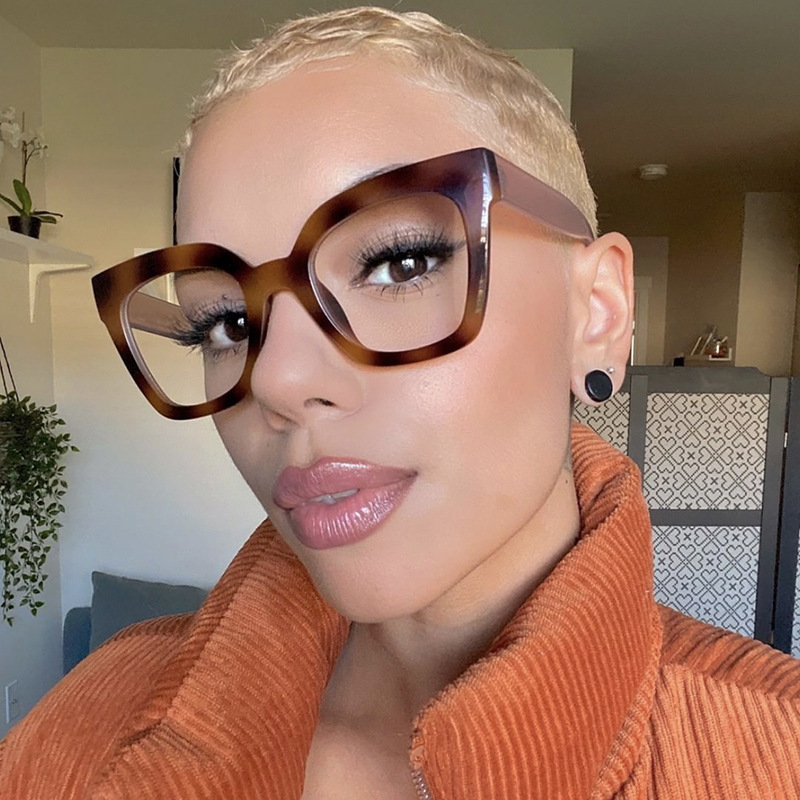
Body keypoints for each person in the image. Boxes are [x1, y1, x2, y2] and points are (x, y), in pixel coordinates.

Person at [2, 7, 800, 799]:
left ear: (598, 314)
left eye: (399, 263)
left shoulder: (773, 756)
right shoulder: (86, 729)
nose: (276, 380)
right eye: (227, 324)